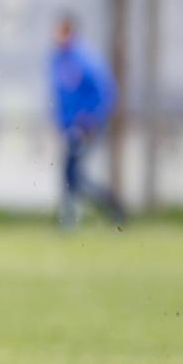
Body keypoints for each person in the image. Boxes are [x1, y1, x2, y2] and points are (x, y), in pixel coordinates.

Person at [49, 13, 126, 228]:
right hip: (69, 127)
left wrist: (90, 119)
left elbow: (105, 91)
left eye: (60, 31)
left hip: (85, 126)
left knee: (72, 174)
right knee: (71, 174)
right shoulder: (57, 59)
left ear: (69, 32)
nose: (55, 35)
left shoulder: (83, 58)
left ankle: (105, 208)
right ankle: (78, 216)